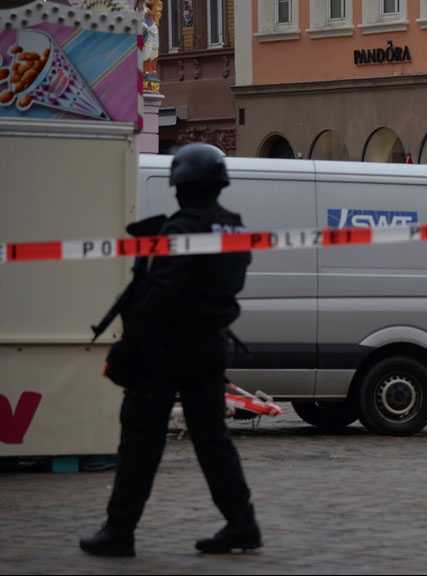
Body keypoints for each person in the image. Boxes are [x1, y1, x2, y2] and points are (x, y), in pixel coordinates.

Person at [80, 144, 259, 557]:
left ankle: (119, 530)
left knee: (140, 442)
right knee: (213, 440)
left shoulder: (180, 231)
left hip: (165, 350)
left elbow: (160, 295)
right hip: (209, 346)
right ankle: (241, 522)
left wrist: (129, 347)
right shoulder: (232, 227)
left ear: (180, 186)